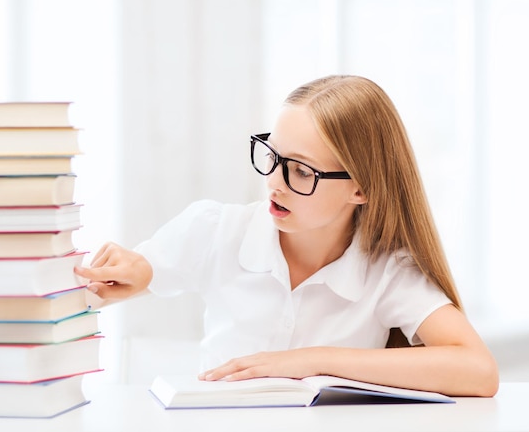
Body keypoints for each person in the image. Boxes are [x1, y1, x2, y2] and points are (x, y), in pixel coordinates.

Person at [74, 75, 499, 397]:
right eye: (272, 155)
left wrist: (308, 363)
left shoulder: (386, 271)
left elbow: (479, 371)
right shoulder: (218, 230)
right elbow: (145, 268)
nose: (274, 182)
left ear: (361, 188)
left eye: (300, 170)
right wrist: (130, 271)